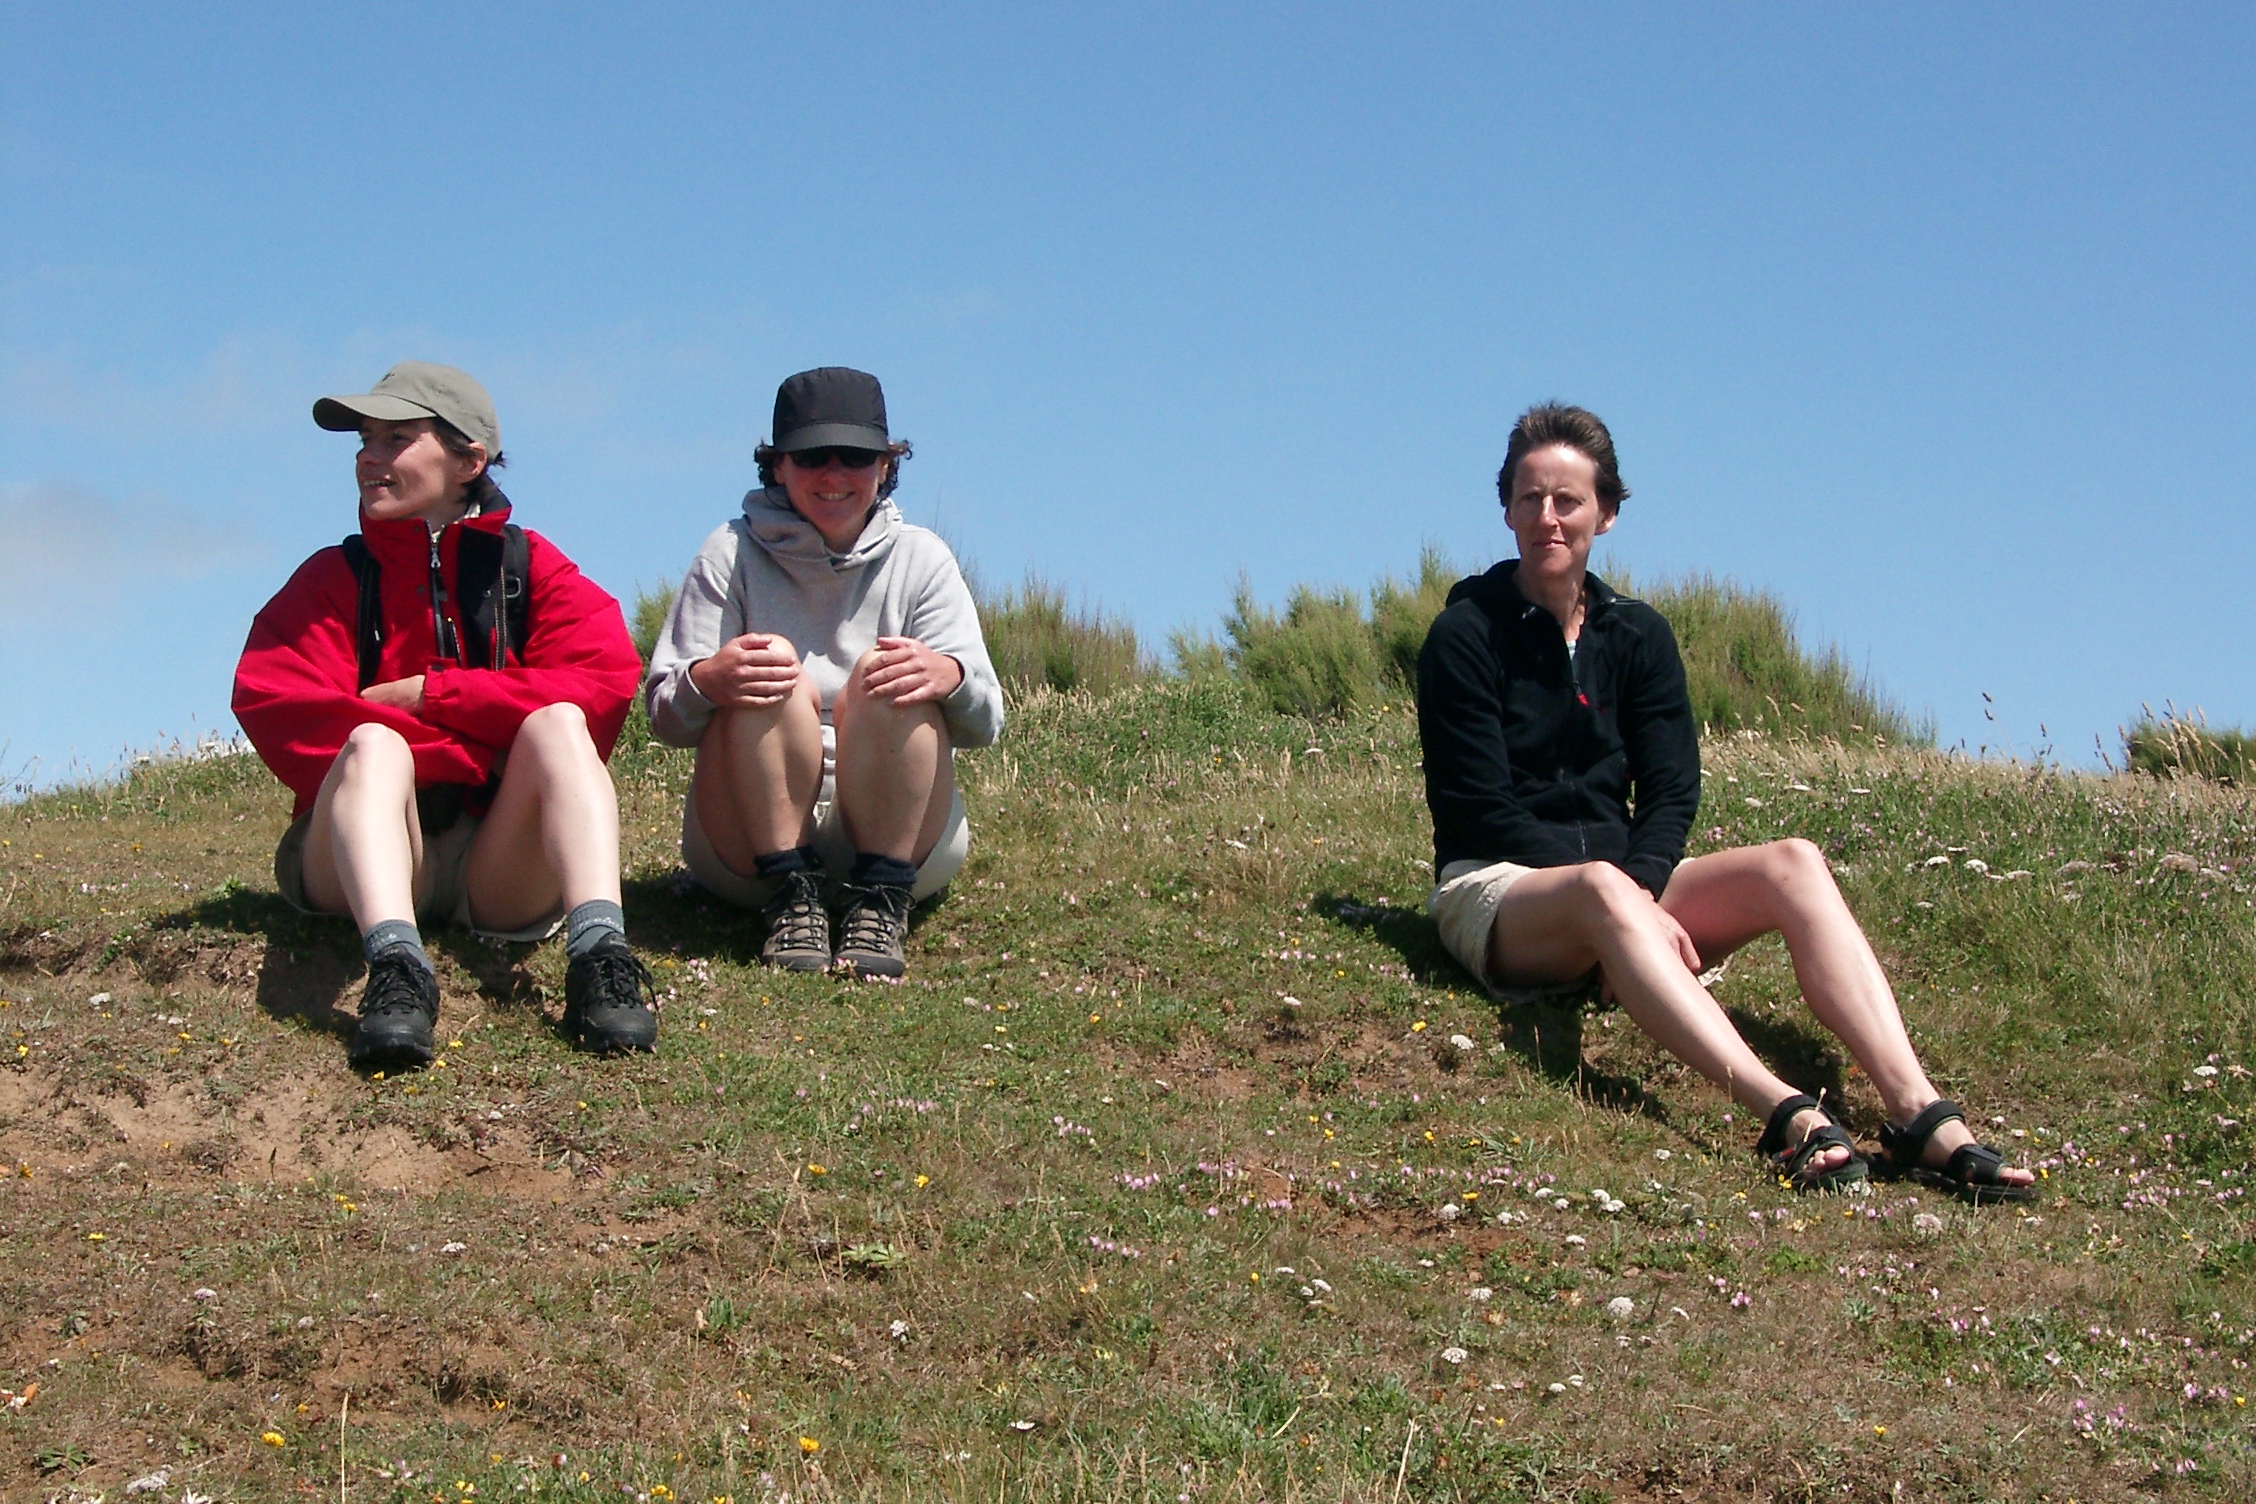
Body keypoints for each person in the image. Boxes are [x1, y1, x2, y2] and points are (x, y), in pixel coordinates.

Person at [1415, 403, 2036, 1203]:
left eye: (1568, 500)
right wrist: (1624, 902)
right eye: (1529, 498)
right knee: (1600, 888)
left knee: (1794, 863)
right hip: (1501, 891)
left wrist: (1640, 894)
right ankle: (1785, 1112)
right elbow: (1477, 808)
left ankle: (1919, 1115)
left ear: (1606, 514)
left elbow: (1672, 790)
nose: (1548, 518)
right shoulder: (1465, 634)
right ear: (1505, 509)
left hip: (1621, 888)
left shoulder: (1637, 635)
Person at [233, 361, 656, 1067]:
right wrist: (477, 750)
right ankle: (396, 969)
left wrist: (435, 696)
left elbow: (602, 684)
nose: (369, 457)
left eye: (396, 438)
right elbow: (275, 702)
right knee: (373, 746)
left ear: (469, 461)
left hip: (500, 870)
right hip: (360, 862)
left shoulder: (531, 566)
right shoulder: (334, 576)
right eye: (365, 441)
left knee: (558, 725)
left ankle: (600, 959)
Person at [644, 367, 1002, 977]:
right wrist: (708, 680)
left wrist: (951, 676)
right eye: (812, 457)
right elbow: (664, 718)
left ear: (885, 466)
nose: (833, 476)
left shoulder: (923, 558)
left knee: (891, 673)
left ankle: (881, 899)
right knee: (770, 667)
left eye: (855, 457)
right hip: (748, 845)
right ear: (778, 466)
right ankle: (791, 898)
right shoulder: (728, 553)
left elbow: (986, 721)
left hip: (904, 839)